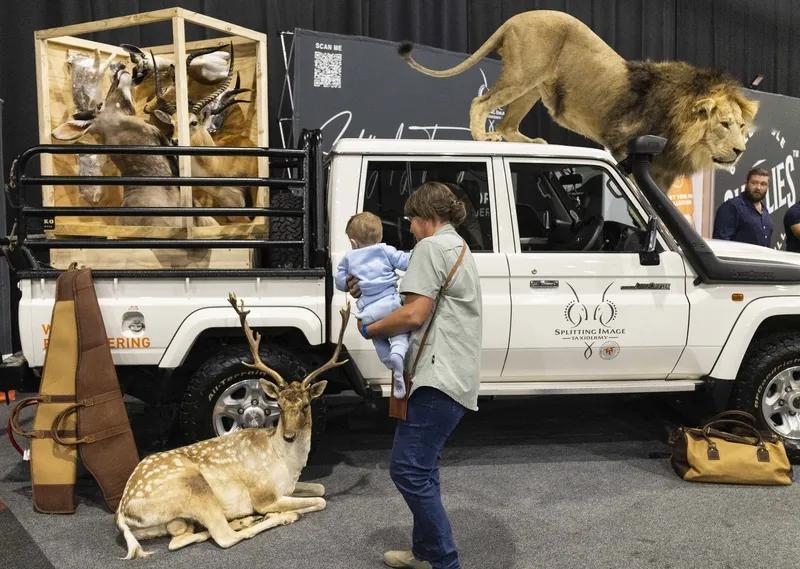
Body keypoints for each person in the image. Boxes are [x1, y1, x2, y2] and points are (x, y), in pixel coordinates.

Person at [346, 182, 482, 569]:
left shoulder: (430, 247)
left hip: (436, 377)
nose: (408, 227)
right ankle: (428, 553)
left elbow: (412, 314)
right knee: (423, 467)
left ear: (426, 218)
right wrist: (371, 289)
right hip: (453, 374)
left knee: (406, 469)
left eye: (411, 220)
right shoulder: (456, 246)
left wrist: (368, 329)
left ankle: (445, 562)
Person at [335, 212, 411, 398]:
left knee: (378, 337)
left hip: (369, 312)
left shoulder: (348, 258)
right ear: (381, 237)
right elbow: (406, 262)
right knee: (401, 333)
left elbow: (340, 283)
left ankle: (389, 363)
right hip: (391, 304)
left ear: (353, 242)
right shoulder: (386, 251)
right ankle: (398, 355)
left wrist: (347, 282)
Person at [712, 168, 772, 246]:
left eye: (763, 184)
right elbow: (721, 243)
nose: (758, 188)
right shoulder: (732, 206)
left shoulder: (765, 212)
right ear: (746, 184)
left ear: (767, 187)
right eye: (754, 183)